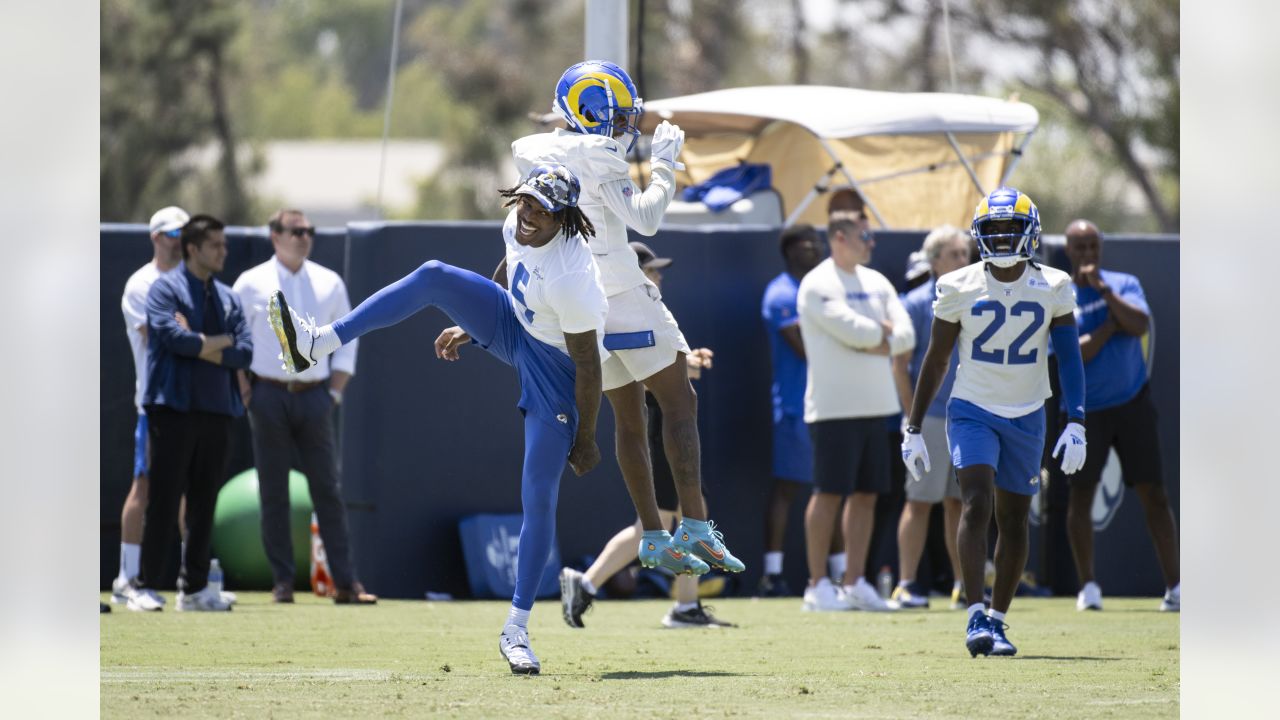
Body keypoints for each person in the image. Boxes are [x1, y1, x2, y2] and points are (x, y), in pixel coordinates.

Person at [268, 164, 607, 676]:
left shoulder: (573, 279)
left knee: (538, 495)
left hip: (560, 372)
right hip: (518, 327)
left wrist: (586, 436)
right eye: (526, 203)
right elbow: (509, 272)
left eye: (543, 209)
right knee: (433, 275)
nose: (529, 215)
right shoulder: (518, 225)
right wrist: (471, 325)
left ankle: (516, 629)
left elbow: (588, 365)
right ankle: (318, 343)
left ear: (564, 218)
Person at [509, 59, 742, 578]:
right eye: (616, 115)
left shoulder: (536, 152)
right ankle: (698, 528)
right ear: (591, 112)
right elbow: (647, 220)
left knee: (630, 417)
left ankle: (653, 534)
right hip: (621, 288)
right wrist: (665, 165)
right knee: (681, 401)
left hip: (579, 299)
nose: (624, 125)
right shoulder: (598, 154)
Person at [902, 187, 1088, 657]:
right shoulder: (958, 284)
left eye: (1011, 229)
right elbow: (937, 359)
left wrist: (1078, 420)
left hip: (1027, 412)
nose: (1003, 238)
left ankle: (999, 619)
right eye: (994, 230)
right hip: (973, 408)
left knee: (1014, 518)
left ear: (1032, 232)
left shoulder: (1055, 284)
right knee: (976, 503)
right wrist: (914, 426)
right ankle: (974, 614)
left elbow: (1068, 359)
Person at [559, 241, 734, 630]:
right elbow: (644, 374)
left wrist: (686, 362)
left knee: (679, 517)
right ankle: (588, 582)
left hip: (663, 433)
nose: (658, 276)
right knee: (660, 524)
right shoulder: (623, 312)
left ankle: (682, 604)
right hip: (659, 436)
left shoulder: (647, 309)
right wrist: (682, 368)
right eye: (651, 269)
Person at [232, 209, 375, 605]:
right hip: (268, 394)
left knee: (327, 490)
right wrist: (246, 390)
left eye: (308, 231)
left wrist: (334, 393)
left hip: (314, 396)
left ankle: (346, 583)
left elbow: (350, 338)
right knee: (273, 490)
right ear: (274, 235)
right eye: (295, 231)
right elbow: (234, 338)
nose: (303, 237)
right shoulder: (250, 283)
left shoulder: (329, 282)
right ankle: (282, 582)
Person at [124, 214, 253, 613]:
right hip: (172, 409)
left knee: (203, 501)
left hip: (217, 410)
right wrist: (219, 344)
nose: (223, 252)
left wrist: (204, 343)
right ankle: (143, 585)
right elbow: (174, 340)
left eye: (224, 244)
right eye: (215, 245)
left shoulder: (229, 297)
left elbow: (244, 351)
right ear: (193, 249)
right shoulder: (163, 289)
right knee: (163, 499)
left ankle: (195, 588)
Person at [797, 210, 915, 612]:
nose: (871, 242)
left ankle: (854, 582)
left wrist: (875, 337)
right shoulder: (817, 284)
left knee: (866, 495)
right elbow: (856, 331)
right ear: (839, 238)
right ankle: (816, 586)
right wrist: (879, 334)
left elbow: (907, 334)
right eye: (865, 236)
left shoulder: (878, 281)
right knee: (829, 494)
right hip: (832, 410)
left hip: (878, 407)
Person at [1062, 219, 1179, 612]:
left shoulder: (1122, 283)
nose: (1088, 255)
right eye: (1080, 247)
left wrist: (1105, 293)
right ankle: (1089, 587)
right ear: (1067, 250)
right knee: (1081, 497)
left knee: (1156, 495)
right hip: (1085, 411)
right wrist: (1112, 327)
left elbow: (1140, 323)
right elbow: (1077, 353)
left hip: (1132, 403)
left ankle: (1175, 587)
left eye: (1093, 246)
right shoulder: (1060, 294)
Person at [888, 225, 971, 610]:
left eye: (965, 253)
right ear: (934, 261)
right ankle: (905, 584)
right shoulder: (917, 303)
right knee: (919, 500)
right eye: (954, 254)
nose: (963, 260)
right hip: (932, 418)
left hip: (968, 416)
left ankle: (964, 586)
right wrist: (912, 419)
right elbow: (901, 365)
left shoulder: (977, 299)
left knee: (961, 503)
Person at [112, 206, 186, 605]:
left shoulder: (193, 281)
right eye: (173, 234)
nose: (180, 241)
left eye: (184, 234)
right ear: (156, 238)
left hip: (192, 403)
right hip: (155, 404)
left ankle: (192, 581)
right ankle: (127, 578)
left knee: (187, 490)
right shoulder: (141, 284)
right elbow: (167, 335)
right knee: (144, 486)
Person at [757, 224, 831, 597]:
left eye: (818, 243)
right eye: (807, 244)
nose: (815, 249)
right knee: (787, 488)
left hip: (831, 404)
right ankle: (772, 574)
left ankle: (840, 575)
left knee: (834, 487)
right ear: (789, 250)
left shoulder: (824, 290)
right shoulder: (781, 292)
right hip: (794, 406)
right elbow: (809, 347)